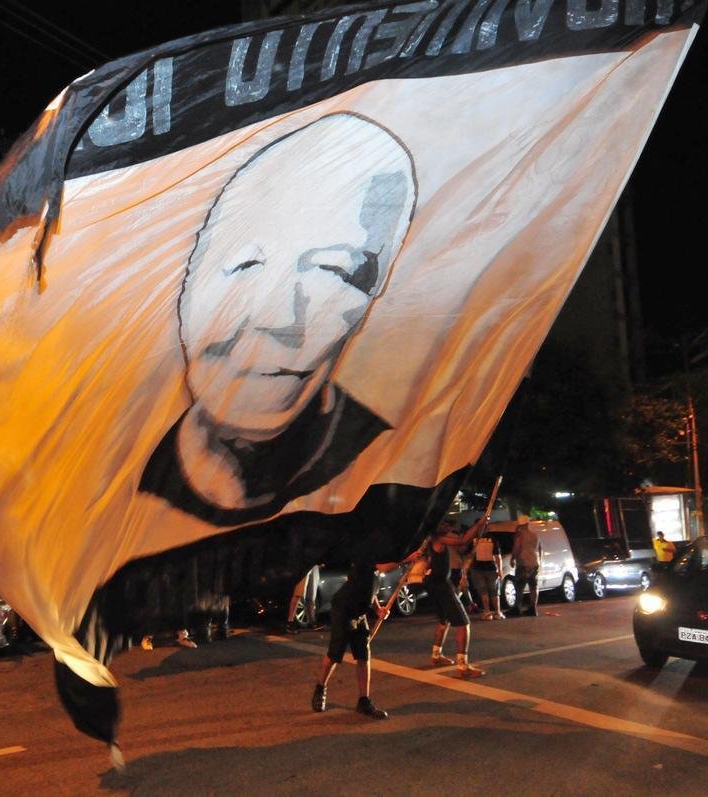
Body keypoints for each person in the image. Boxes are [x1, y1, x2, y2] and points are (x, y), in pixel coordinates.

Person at [138, 113, 417, 526]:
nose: (281, 317)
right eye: (244, 263)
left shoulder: (381, 472)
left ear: (369, 306)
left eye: (334, 273)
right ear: (187, 284)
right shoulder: (106, 462)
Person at [311, 557, 401, 719]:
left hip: (359, 614)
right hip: (343, 611)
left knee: (363, 655)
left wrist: (379, 610)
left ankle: (363, 701)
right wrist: (408, 559)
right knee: (335, 654)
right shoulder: (365, 557)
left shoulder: (373, 573)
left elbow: (370, 592)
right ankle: (320, 688)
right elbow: (385, 567)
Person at [421, 516, 487, 676]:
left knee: (444, 620)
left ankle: (436, 655)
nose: (446, 525)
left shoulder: (430, 540)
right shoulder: (439, 539)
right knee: (463, 622)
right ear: (437, 527)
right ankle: (463, 666)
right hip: (441, 584)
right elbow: (462, 541)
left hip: (432, 582)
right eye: (443, 522)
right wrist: (478, 524)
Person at [465, 532, 505, 620]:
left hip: (477, 568)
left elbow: (469, 555)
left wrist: (466, 568)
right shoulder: (492, 540)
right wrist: (499, 570)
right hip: (491, 567)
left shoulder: (474, 540)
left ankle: (487, 612)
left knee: (483, 591)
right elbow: (498, 556)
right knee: (494, 590)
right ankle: (497, 612)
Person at [512, 521, 543, 617]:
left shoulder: (520, 535)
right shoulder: (535, 535)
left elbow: (517, 547)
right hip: (534, 563)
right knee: (533, 586)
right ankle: (533, 608)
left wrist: (513, 558)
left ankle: (517, 608)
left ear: (521, 525)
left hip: (523, 563)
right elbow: (540, 549)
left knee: (519, 586)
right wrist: (539, 561)